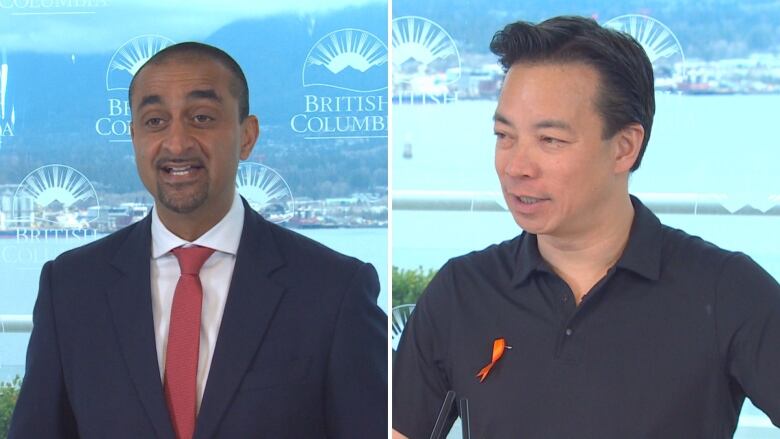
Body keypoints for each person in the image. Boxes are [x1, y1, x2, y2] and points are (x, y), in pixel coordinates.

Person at [392, 16, 780, 438]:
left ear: (624, 147)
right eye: (504, 135)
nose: (516, 166)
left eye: (550, 141)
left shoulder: (725, 291)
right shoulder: (461, 292)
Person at [10, 42, 387, 438]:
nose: (177, 143)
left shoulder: (333, 289)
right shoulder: (70, 287)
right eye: (155, 121)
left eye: (202, 117)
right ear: (134, 137)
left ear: (247, 136)